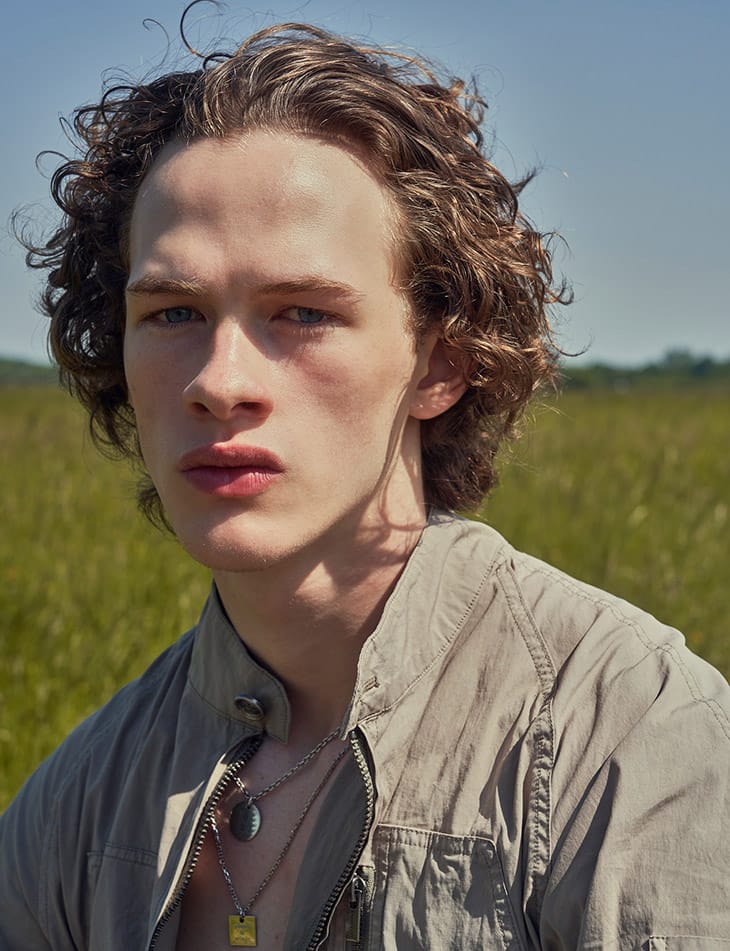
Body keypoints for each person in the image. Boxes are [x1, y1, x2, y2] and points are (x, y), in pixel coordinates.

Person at [1, 19, 728, 951]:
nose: (219, 380)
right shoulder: (78, 803)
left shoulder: (628, 739)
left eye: (303, 312)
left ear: (442, 362)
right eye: (173, 312)